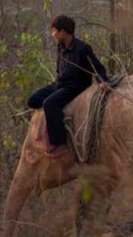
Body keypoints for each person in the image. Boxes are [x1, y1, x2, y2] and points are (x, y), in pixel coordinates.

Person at [27, 15, 109, 157]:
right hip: (60, 83)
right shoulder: (60, 47)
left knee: (50, 103)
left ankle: (60, 143)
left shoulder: (82, 48)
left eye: (54, 31)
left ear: (63, 31)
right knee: (33, 100)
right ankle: (50, 125)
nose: (53, 34)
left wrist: (103, 80)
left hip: (75, 85)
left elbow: (98, 67)